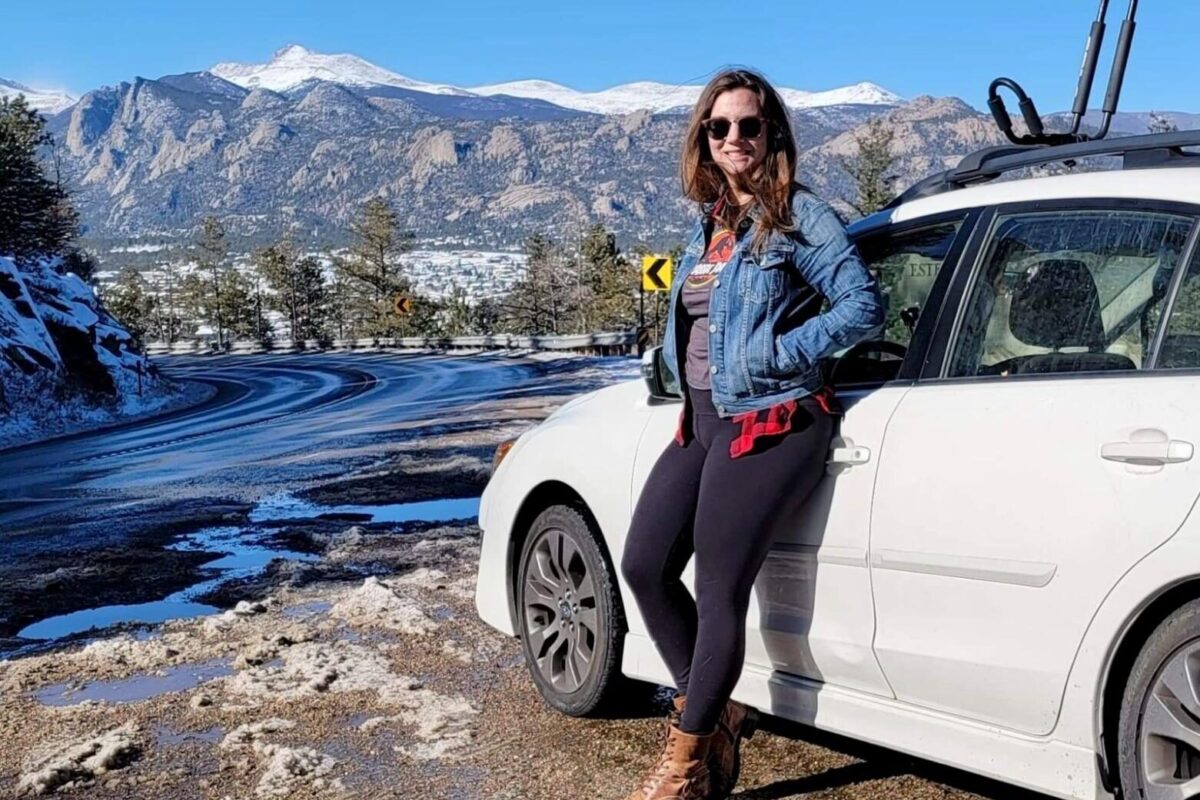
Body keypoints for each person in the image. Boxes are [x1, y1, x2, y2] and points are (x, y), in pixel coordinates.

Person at [619, 68, 885, 800]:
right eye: (720, 126)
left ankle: (685, 760)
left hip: (770, 420)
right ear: (703, 137)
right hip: (701, 419)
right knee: (643, 564)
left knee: (719, 589)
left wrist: (780, 352)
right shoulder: (709, 221)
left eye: (749, 125)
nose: (734, 138)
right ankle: (716, 711)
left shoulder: (800, 216)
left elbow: (862, 305)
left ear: (772, 135)